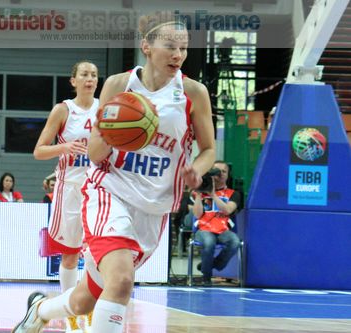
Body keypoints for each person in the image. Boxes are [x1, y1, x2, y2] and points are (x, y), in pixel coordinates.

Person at [13, 11, 215, 333]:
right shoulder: (119, 85)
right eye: (170, 46)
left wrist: (197, 171)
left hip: (154, 207)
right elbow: (94, 154)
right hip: (110, 191)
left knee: (85, 299)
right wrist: (111, 133)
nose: (178, 55)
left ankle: (40, 309)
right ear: (147, 46)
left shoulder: (193, 93)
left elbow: (208, 150)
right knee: (121, 281)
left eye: (184, 48)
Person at [32, 60, 99, 332]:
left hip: (97, 189)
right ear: (73, 80)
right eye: (84, 74)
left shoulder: (104, 109)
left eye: (94, 75)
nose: (89, 79)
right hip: (69, 188)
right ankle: (71, 315)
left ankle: (91, 311)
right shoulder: (63, 110)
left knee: (96, 255)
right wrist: (65, 147)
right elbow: (38, 151)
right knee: (70, 255)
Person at [190, 160, 241, 287]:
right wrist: (199, 194)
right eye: (217, 171)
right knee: (209, 242)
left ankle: (210, 265)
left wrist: (213, 195)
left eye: (224, 172)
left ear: (228, 175)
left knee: (235, 242)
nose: (221, 174)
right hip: (203, 229)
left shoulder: (233, 194)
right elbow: (197, 215)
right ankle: (206, 278)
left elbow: (228, 209)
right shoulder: (200, 192)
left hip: (223, 230)